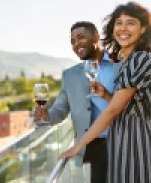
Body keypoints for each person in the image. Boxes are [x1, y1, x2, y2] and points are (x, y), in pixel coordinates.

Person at [61, 2, 151, 183]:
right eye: (119, 23)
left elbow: (112, 111)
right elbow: (128, 107)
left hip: (139, 146)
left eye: (131, 23)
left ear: (142, 30)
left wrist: (79, 144)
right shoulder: (128, 60)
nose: (123, 28)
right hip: (124, 145)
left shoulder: (139, 59)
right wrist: (105, 95)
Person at [34, 21, 120, 183]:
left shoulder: (121, 64)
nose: (76, 44)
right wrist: (45, 115)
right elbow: (59, 110)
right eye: (72, 42)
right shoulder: (70, 75)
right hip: (90, 146)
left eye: (81, 38)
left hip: (124, 141)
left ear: (96, 36)